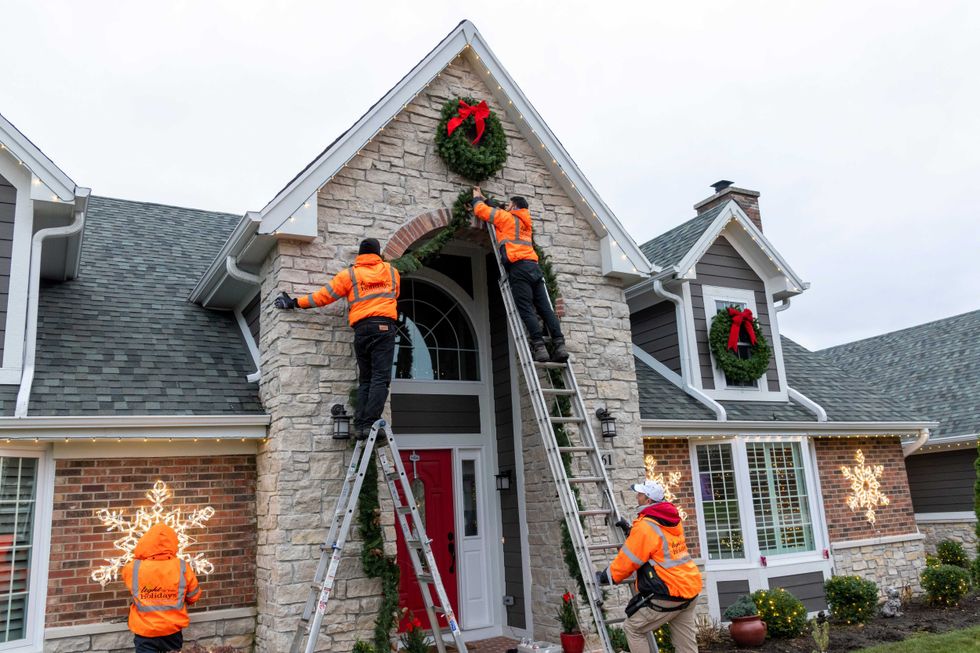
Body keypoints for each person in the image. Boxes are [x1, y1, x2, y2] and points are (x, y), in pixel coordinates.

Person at [275, 238, 400, 440]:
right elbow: (395, 294)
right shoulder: (392, 272)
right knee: (380, 378)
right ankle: (370, 425)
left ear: (360, 254)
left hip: (361, 330)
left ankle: (360, 426)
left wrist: (295, 302)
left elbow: (324, 296)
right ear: (378, 254)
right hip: (384, 328)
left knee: (366, 379)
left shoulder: (350, 275)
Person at [596, 480, 703, 653]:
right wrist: (632, 532)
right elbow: (658, 545)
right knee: (686, 645)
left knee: (633, 628)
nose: (637, 497)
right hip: (689, 589)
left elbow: (628, 560)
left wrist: (607, 576)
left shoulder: (646, 526)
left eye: (640, 495)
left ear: (648, 501)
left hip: (668, 593)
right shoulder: (673, 520)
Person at [470, 187, 568, 364]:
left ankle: (539, 346)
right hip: (534, 268)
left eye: (509, 205)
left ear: (514, 207)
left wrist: (477, 198)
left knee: (526, 309)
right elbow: (500, 211)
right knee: (545, 308)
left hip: (519, 269)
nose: (506, 207)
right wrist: (490, 200)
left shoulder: (506, 218)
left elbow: (481, 211)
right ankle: (560, 344)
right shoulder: (525, 223)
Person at [121, 523, 201, 653]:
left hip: (145, 630)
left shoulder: (132, 568)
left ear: (144, 542)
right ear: (173, 542)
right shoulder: (182, 566)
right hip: (172, 630)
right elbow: (194, 596)